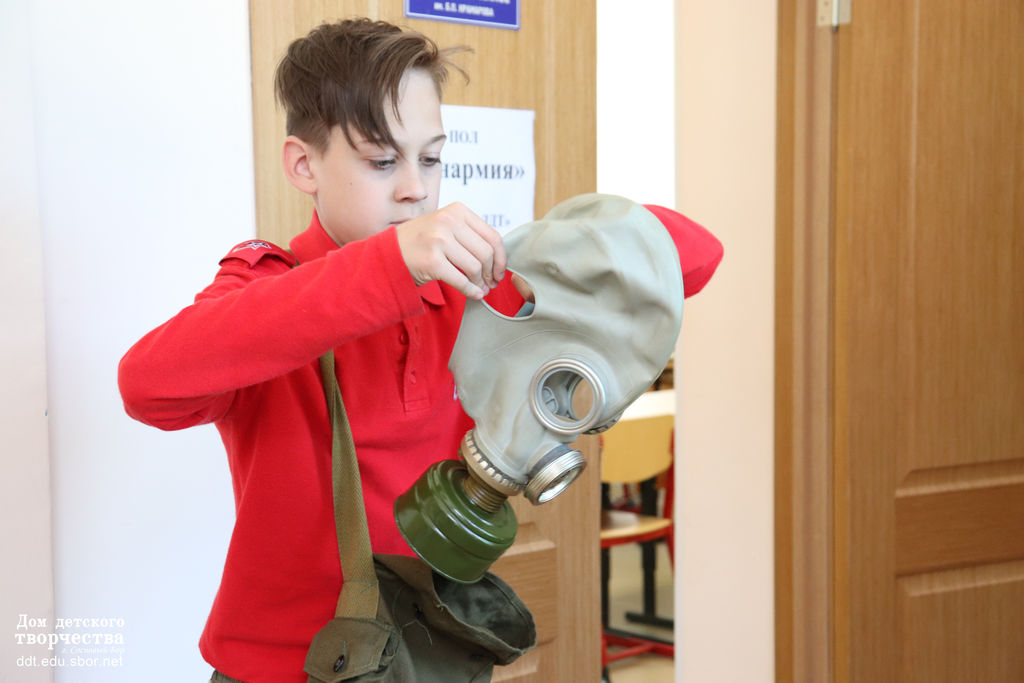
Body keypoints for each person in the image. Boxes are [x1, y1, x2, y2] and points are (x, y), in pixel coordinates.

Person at [118, 17, 722, 683]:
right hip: (282, 666)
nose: (415, 188)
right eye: (382, 161)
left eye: (430, 159)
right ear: (303, 165)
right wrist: (388, 264)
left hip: (426, 660)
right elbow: (147, 385)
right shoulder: (269, 284)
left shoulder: (469, 293)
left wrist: (548, 247)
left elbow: (696, 257)